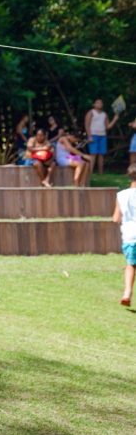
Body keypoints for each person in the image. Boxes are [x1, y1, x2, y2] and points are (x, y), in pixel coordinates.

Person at [112, 163, 136, 308]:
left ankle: (127, 293)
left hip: (129, 235)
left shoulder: (121, 195)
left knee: (131, 265)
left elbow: (116, 218)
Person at [84, 98, 119, 175]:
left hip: (103, 135)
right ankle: (89, 172)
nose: (99, 104)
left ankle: (101, 173)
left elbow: (108, 127)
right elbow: (87, 124)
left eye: (101, 103)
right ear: (94, 104)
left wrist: (114, 119)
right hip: (93, 135)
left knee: (101, 154)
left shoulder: (104, 114)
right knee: (93, 154)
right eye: (97, 103)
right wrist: (89, 136)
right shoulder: (91, 112)